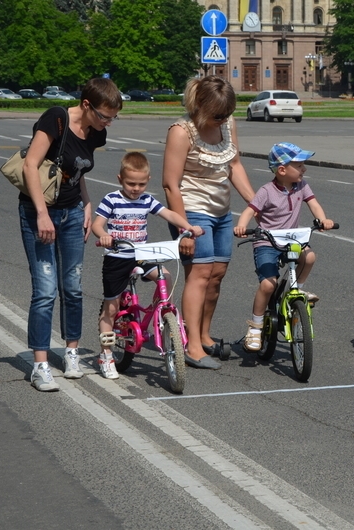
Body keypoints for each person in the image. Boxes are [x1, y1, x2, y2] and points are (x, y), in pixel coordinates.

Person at [20, 77, 122, 391]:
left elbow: (75, 172)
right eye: (104, 116)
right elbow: (30, 165)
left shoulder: (96, 132)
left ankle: (72, 353)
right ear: (86, 104)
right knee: (46, 290)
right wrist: (41, 214)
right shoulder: (57, 118)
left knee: (74, 287)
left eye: (112, 118)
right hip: (39, 213)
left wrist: (88, 204)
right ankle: (40, 365)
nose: (107, 123)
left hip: (73, 212)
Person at [162, 75, 256, 370]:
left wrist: (256, 204)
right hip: (191, 211)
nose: (223, 120)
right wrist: (185, 229)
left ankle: (203, 335)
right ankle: (190, 345)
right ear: (199, 106)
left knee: (216, 276)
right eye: (217, 115)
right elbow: (170, 185)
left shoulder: (227, 125)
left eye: (227, 114)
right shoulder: (181, 132)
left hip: (221, 212)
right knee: (199, 274)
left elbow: (235, 165)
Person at [92, 152, 204, 379]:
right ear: (119, 179)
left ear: (148, 181)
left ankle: (163, 314)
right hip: (117, 256)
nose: (136, 188)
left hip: (142, 255)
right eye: (130, 183)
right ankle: (106, 355)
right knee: (111, 308)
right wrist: (103, 235)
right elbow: (97, 225)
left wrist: (188, 227)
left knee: (166, 275)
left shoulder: (147, 200)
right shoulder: (112, 199)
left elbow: (169, 214)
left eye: (141, 184)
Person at [234, 143, 335, 351]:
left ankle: (298, 288)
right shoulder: (266, 191)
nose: (304, 169)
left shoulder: (302, 185)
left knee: (309, 257)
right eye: (299, 165)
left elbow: (314, 204)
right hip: (267, 242)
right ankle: (255, 327)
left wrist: (323, 220)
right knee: (268, 285)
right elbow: (250, 210)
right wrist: (242, 225)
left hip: (291, 240)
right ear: (282, 170)